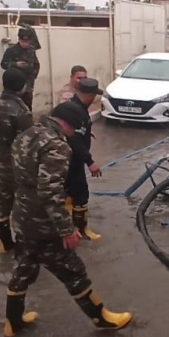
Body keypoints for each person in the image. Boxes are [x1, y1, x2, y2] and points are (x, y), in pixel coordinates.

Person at [5, 101, 132, 337]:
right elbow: (50, 192)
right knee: (73, 270)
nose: (73, 133)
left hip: (22, 215)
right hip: (44, 223)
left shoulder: (26, 135)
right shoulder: (56, 145)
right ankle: (101, 318)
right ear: (67, 124)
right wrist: (66, 229)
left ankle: (12, 322)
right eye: (74, 129)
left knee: (24, 267)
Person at [0, 69, 34, 254]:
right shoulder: (21, 111)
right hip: (19, 164)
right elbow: (28, 142)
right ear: (21, 86)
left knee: (3, 200)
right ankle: (25, 243)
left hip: (0, 160)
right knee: (25, 202)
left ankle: (4, 242)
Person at [65, 77, 104, 241]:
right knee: (81, 194)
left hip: (63, 159)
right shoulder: (77, 112)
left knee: (67, 191)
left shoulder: (72, 106)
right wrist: (90, 162)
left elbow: (72, 131)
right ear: (89, 95)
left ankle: (68, 227)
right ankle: (81, 230)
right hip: (73, 160)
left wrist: (87, 133)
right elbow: (74, 140)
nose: (95, 99)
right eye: (94, 95)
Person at [0, 27, 42, 110]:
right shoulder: (11, 51)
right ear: (19, 39)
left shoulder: (31, 50)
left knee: (27, 107)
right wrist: (15, 64)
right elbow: (3, 64)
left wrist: (33, 75)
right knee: (14, 107)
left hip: (28, 85)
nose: (25, 43)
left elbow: (36, 64)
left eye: (27, 41)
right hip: (14, 87)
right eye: (23, 41)